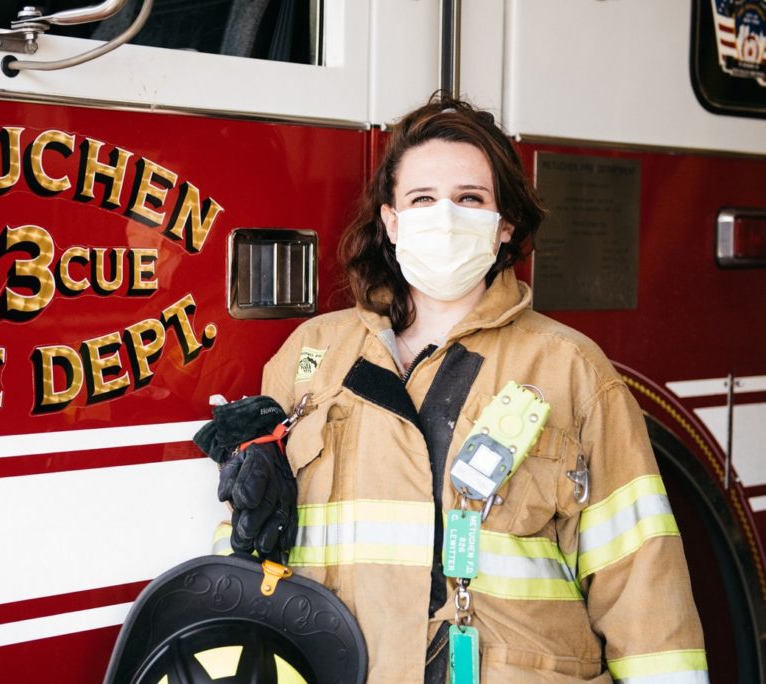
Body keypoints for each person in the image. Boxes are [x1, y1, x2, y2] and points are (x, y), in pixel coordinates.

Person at [222, 93, 707, 683]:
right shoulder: (311, 356)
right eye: (422, 199)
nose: (445, 218)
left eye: (470, 199)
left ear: (504, 226)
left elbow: (642, 580)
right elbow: (241, 557)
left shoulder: (570, 368)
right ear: (391, 221)